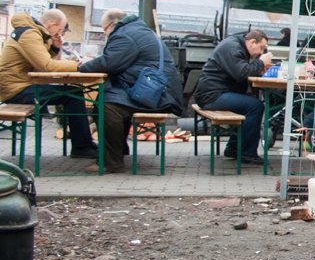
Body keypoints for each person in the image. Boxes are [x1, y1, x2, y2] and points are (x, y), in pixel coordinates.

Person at [77, 9, 184, 174]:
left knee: (107, 107)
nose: (105, 34)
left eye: (104, 29)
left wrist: (82, 66)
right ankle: (117, 150)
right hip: (156, 90)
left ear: (113, 24)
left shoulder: (124, 35)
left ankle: (111, 162)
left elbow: (109, 63)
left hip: (155, 95)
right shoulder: (135, 30)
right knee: (110, 100)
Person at [0, 9, 98, 158]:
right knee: (74, 95)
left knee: (74, 93)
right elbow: (47, 66)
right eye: (60, 31)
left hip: (20, 86)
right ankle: (82, 146)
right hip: (15, 90)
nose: (59, 35)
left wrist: (55, 47)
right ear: (52, 25)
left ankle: (85, 143)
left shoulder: (34, 33)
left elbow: (47, 64)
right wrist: (79, 66)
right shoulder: (29, 34)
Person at [192, 29, 273, 164]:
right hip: (212, 95)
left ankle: (233, 148)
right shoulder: (233, 48)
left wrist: (258, 69)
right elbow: (241, 72)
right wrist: (260, 63)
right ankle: (246, 152)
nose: (261, 52)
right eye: (261, 47)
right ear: (252, 42)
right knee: (255, 106)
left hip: (215, 92)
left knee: (249, 105)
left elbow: (240, 71)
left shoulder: (236, 45)